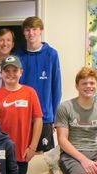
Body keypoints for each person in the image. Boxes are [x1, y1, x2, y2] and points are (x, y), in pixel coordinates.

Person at [0, 55, 43, 174]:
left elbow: (38, 120)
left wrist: (33, 147)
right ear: (1, 73)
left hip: (21, 153)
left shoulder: (30, 92)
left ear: (21, 72)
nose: (11, 74)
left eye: (14, 70)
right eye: (7, 71)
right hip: (0, 153)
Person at [14, 16, 61, 152]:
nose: (31, 33)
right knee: (22, 154)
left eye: (34, 29)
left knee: (45, 159)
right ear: (24, 33)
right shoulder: (18, 55)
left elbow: (56, 87)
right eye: (27, 30)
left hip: (45, 116)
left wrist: (54, 117)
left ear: (41, 31)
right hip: (22, 115)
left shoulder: (51, 54)